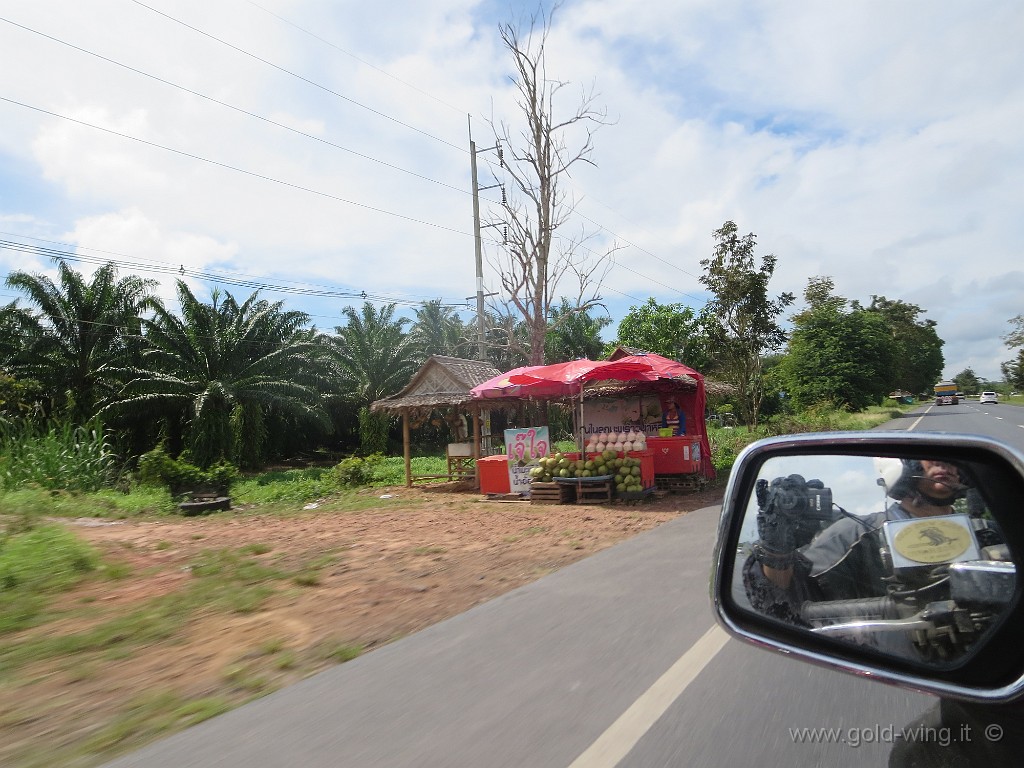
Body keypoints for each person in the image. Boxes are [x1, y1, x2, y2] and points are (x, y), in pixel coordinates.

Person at [743, 458, 1003, 658]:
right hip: (901, 658)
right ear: (902, 465)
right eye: (928, 456)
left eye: (951, 457)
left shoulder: (990, 532)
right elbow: (781, 602)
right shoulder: (856, 534)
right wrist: (777, 544)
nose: (943, 463)